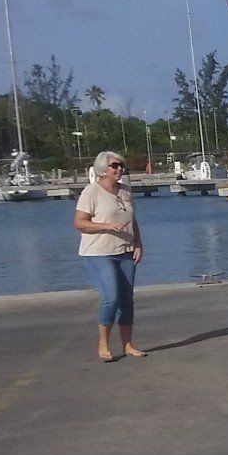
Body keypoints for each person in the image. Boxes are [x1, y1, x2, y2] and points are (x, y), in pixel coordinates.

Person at [73, 150, 145, 363]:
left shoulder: (125, 191)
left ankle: (128, 344)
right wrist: (106, 226)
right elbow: (80, 223)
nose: (119, 169)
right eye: (115, 166)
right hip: (99, 253)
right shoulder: (91, 191)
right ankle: (103, 343)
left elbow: (133, 220)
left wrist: (138, 243)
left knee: (126, 300)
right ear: (103, 169)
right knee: (111, 298)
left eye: (121, 165)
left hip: (126, 251)